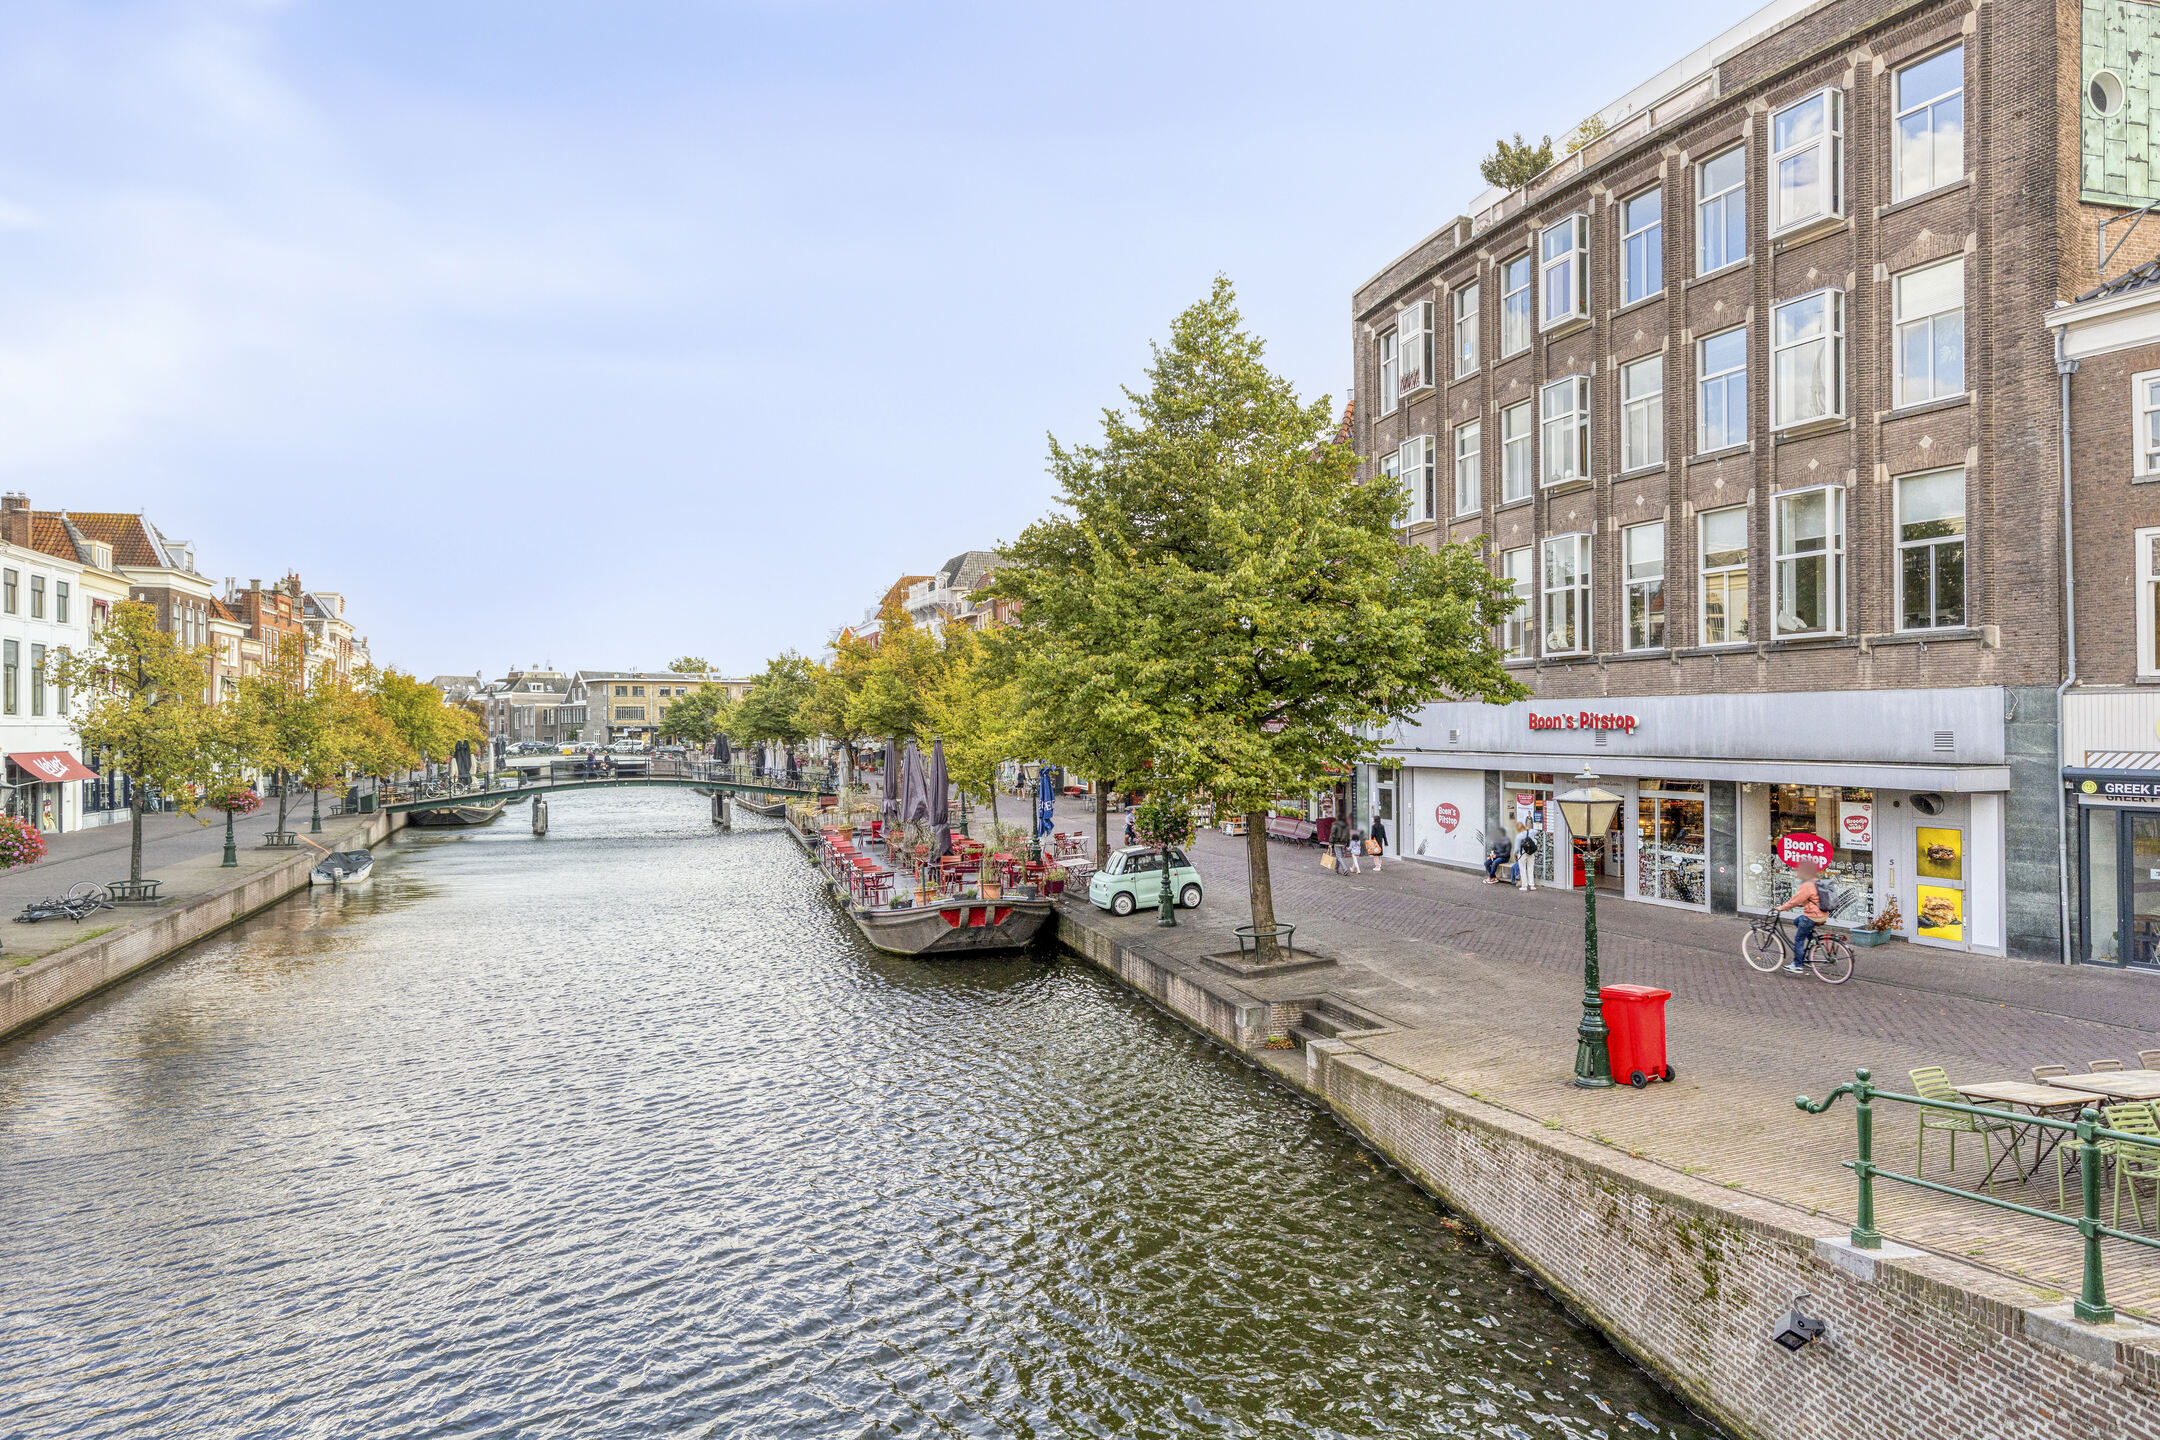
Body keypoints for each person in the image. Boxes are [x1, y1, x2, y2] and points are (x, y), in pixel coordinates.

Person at [1776, 860, 1830, 974]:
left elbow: (1794, 901)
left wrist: (1782, 908)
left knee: (1799, 939)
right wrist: (1803, 904)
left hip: (1812, 916)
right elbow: (1814, 898)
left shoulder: (1807, 885)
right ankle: (1813, 942)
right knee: (1797, 921)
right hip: (1822, 914)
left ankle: (1797, 965)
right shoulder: (1817, 881)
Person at [1516, 825, 1540, 892]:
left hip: (1522, 854)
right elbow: (1537, 831)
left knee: (1522, 869)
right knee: (1531, 868)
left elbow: (1517, 847)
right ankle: (1532, 886)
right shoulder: (1531, 832)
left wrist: (1515, 853)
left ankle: (1524, 886)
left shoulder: (1519, 835)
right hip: (1531, 853)